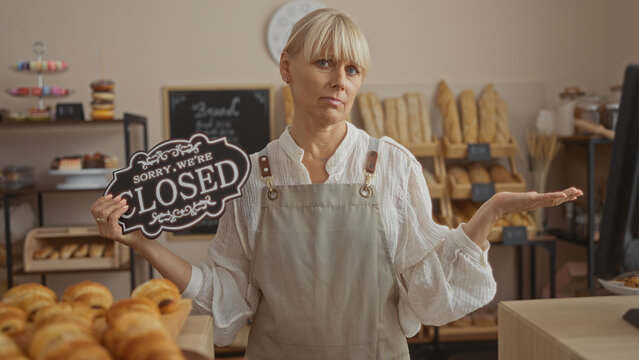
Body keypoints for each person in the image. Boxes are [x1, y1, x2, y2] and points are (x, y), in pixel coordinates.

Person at [91, 8, 582, 359]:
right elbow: (226, 304)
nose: (339, 81)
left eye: (352, 69)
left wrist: (488, 212)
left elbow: (429, 294)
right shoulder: (252, 178)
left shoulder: (390, 166)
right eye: (324, 63)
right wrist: (142, 242)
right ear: (287, 66)